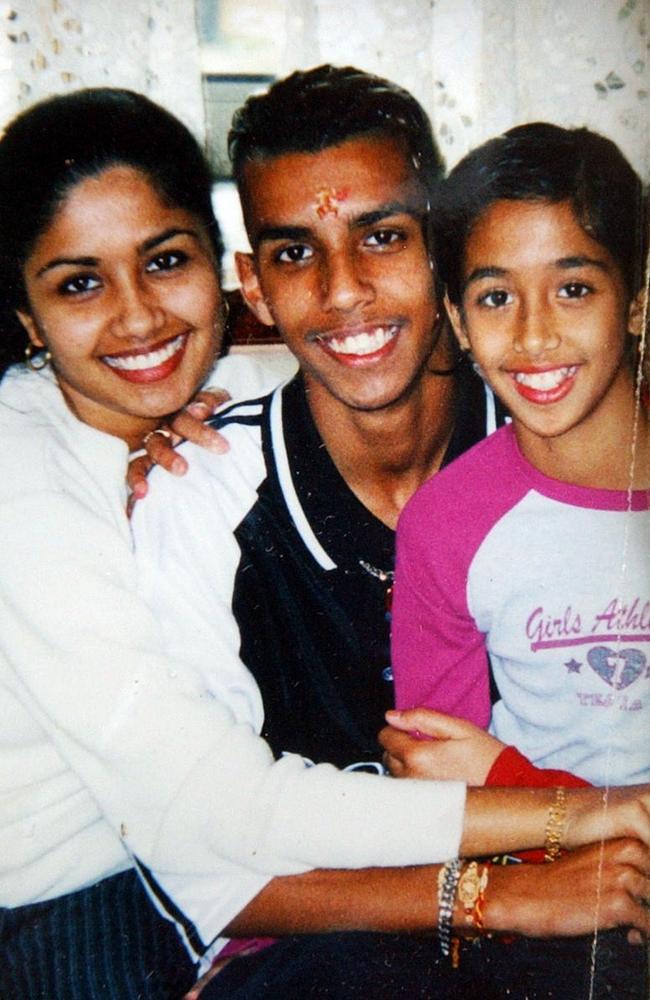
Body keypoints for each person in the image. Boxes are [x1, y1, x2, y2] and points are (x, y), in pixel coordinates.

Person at [2, 87, 643, 1000]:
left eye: (384, 237)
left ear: (445, 259)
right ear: (254, 284)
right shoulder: (195, 492)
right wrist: (524, 873)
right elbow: (218, 857)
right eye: (296, 253)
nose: (344, 290)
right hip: (336, 950)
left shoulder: (551, 428)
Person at [389, 122, 649, 996]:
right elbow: (438, 787)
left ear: (639, 297)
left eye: (573, 287)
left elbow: (480, 775)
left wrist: (508, 775)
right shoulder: (448, 524)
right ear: (458, 321)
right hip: (569, 901)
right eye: (497, 298)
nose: (535, 337)